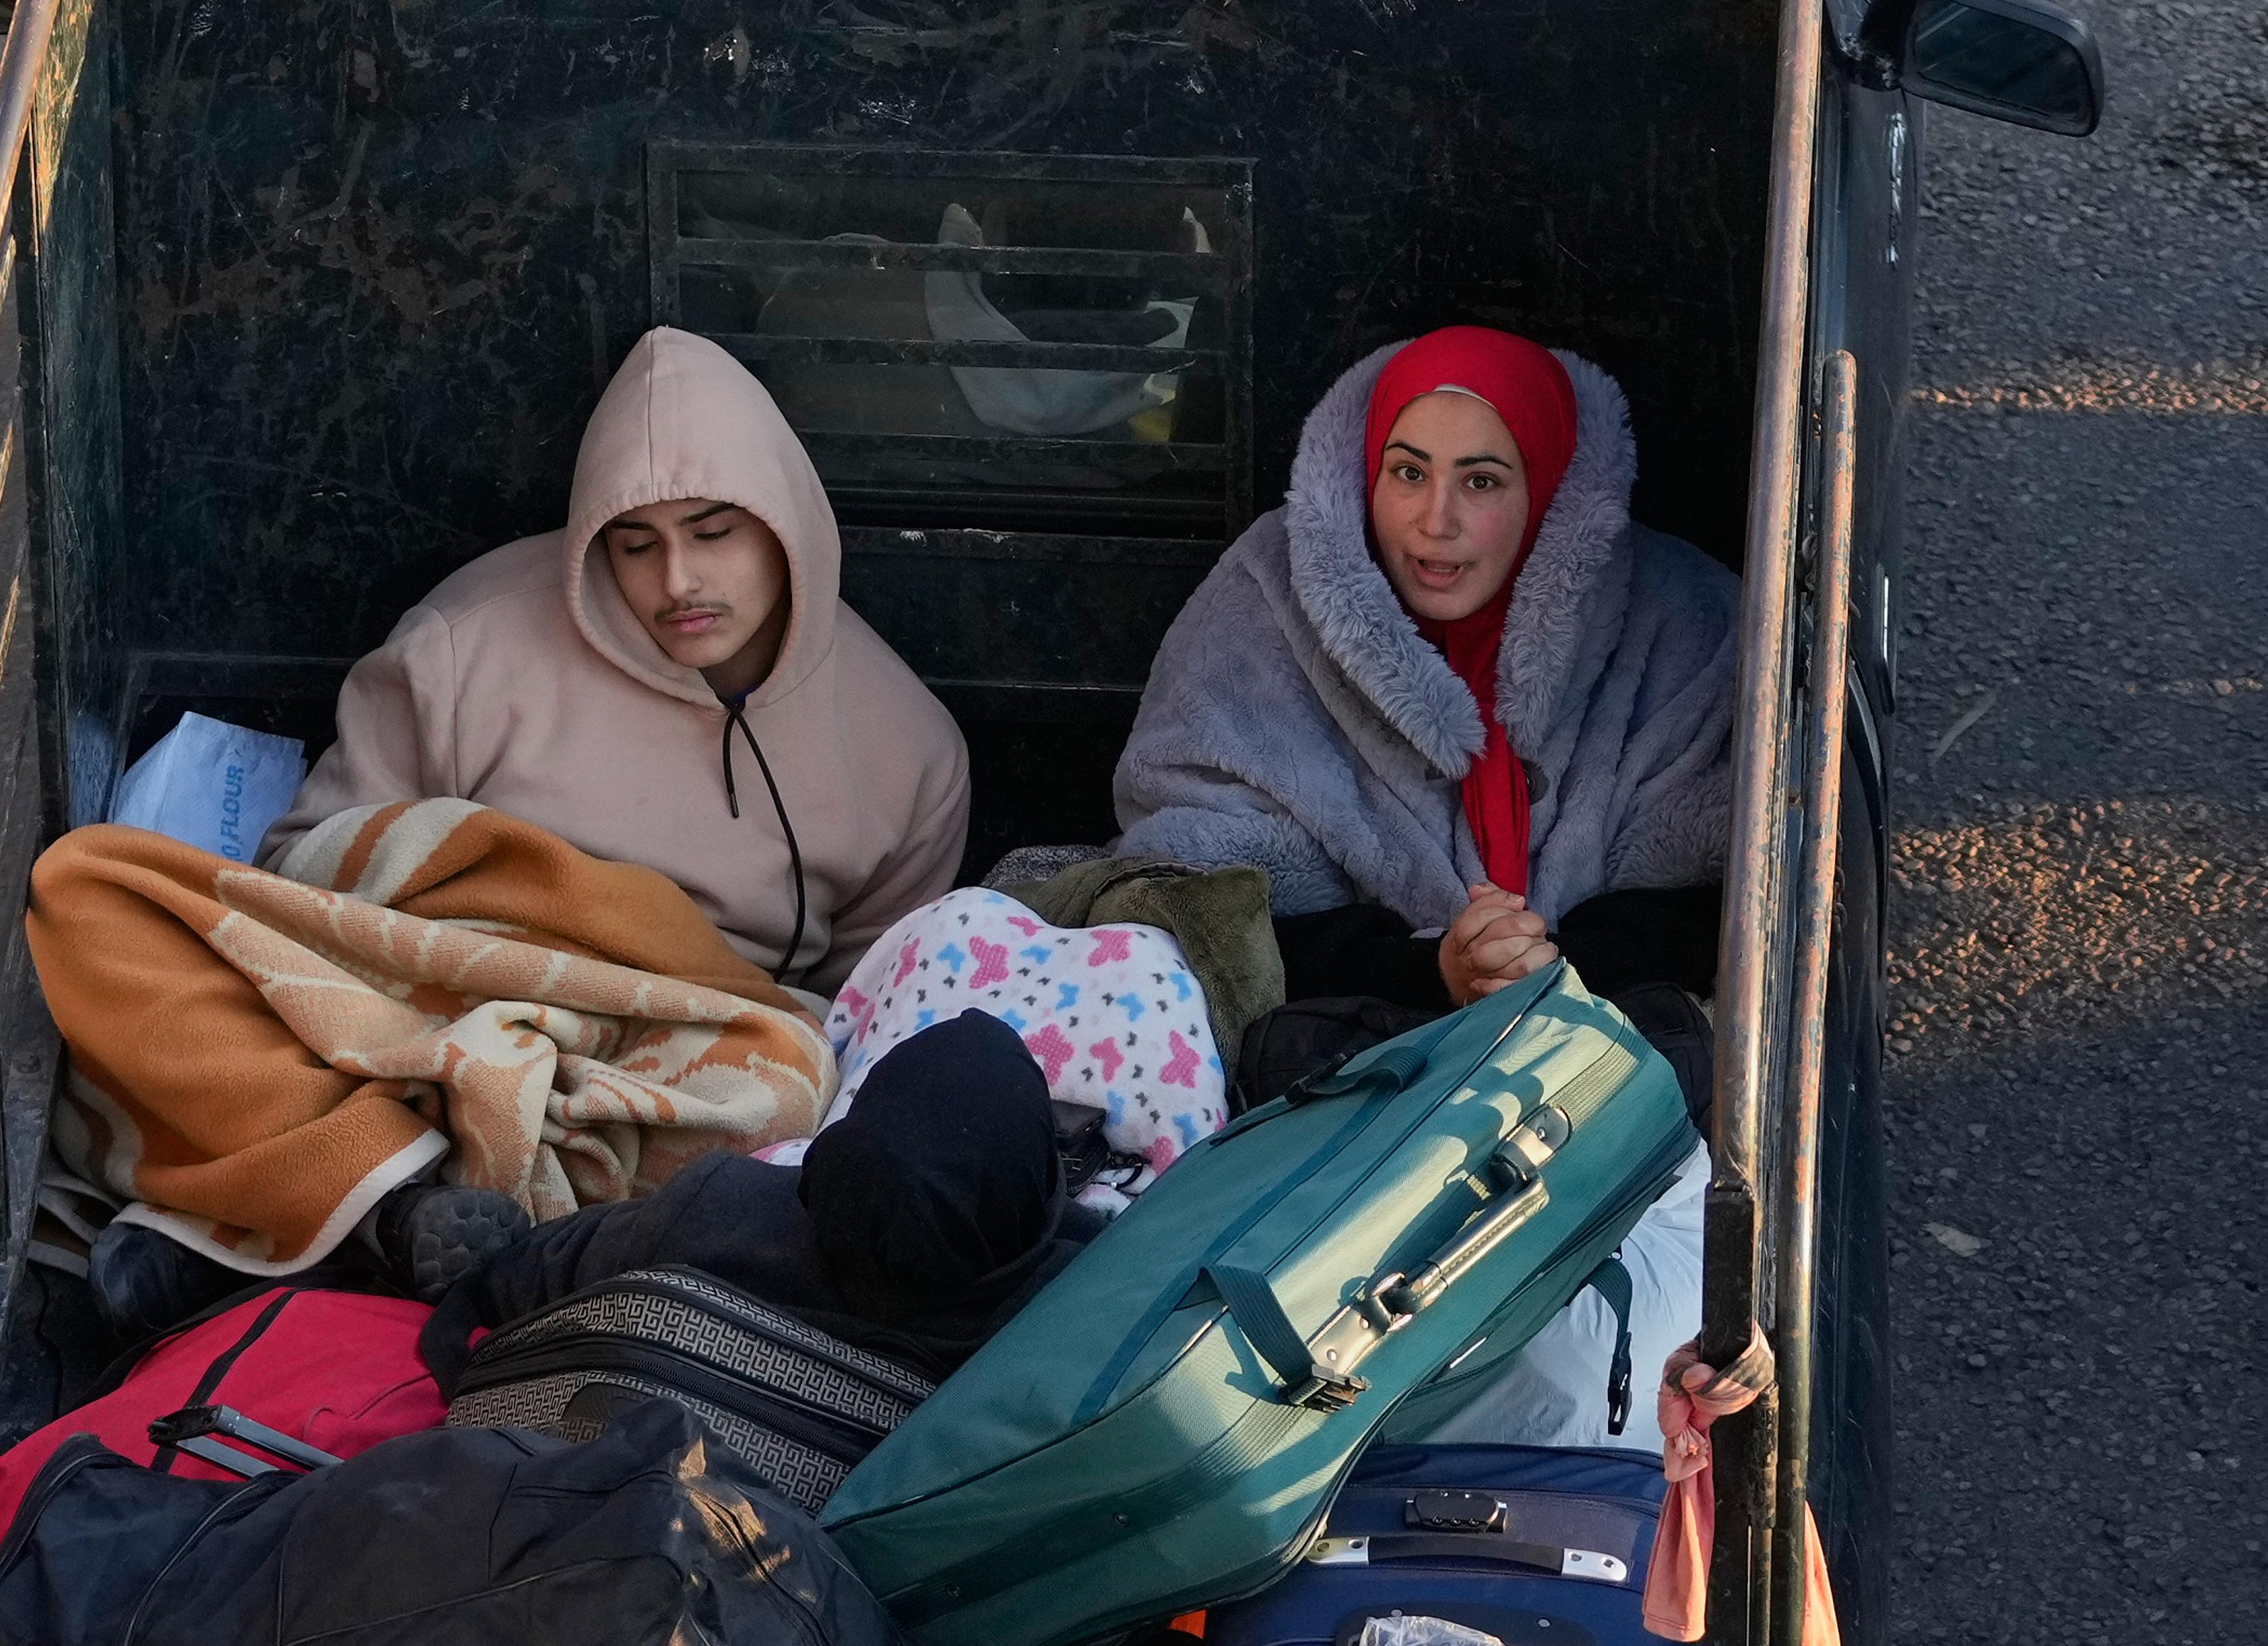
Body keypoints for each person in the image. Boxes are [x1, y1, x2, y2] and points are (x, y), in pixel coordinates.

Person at [277, 327, 969, 996]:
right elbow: (299, 876)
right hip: (466, 1011)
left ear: (788, 527)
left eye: (713, 533)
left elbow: (869, 1010)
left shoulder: (910, 750)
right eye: (636, 546)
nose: (677, 582)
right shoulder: (458, 652)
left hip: (733, 1061)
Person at [1109, 324, 1740, 1022]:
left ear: (1552, 486)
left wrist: (1551, 964)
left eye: (1481, 481)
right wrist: (1434, 970)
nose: (1436, 520)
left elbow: (1735, 900)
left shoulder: (1682, 619)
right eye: (1409, 472)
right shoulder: (1262, 605)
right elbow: (1198, 910)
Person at [419, 1012, 1094, 1380]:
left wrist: (495, 1274)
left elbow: (530, 1272)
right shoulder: (1080, 1297)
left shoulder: (722, 1209)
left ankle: (390, 1219)